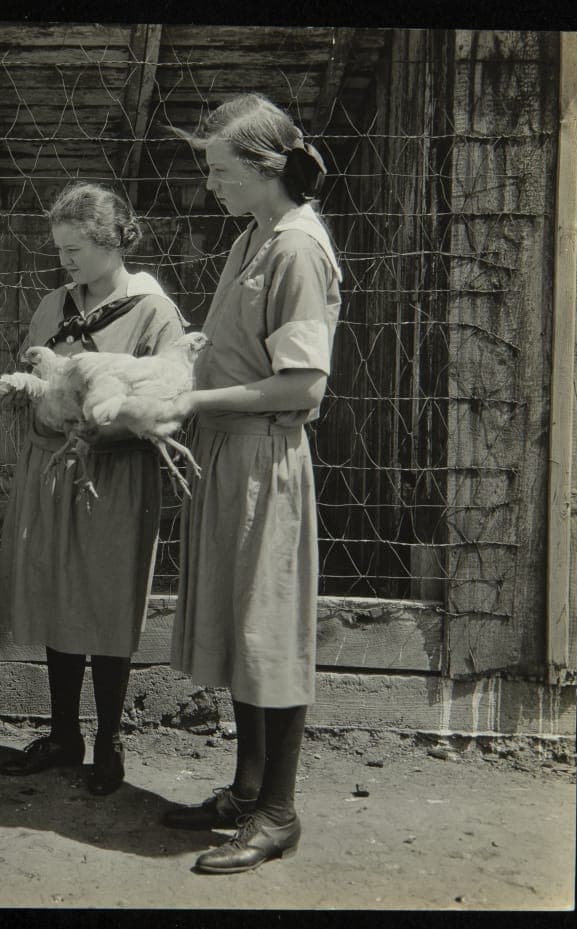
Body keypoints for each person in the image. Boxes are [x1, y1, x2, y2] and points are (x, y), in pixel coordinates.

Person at [163, 94, 342, 873]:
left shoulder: (298, 248)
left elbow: (301, 388)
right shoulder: (254, 237)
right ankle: (244, 788)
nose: (210, 183)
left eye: (219, 169)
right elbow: (241, 348)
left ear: (265, 169)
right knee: (243, 628)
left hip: (264, 459)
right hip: (228, 457)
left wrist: (192, 398)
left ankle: (277, 810)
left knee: (269, 632)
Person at [0, 182, 187, 796]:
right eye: (59, 249)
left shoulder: (153, 312)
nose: (66, 260)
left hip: (115, 475)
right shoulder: (53, 305)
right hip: (51, 468)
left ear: (112, 241)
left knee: (104, 598)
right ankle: (62, 734)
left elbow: (171, 405)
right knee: (56, 591)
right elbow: (33, 386)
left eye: (76, 248)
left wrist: (102, 432)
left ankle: (108, 739)